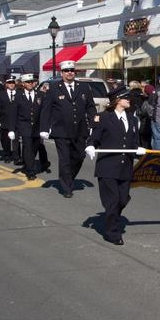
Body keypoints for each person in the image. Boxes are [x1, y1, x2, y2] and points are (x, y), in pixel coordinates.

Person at [84, 86, 146, 245]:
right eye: (126, 97)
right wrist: (90, 146)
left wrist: (138, 149)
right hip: (108, 166)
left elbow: (134, 141)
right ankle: (112, 232)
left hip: (125, 167)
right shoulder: (104, 117)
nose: (129, 100)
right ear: (118, 100)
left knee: (123, 199)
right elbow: (94, 137)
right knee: (112, 200)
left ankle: (111, 219)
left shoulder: (132, 119)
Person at [39, 60, 95, 198]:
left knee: (79, 157)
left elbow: (90, 107)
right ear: (61, 73)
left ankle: (69, 177)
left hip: (80, 130)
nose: (69, 73)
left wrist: (94, 124)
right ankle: (67, 187)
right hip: (61, 131)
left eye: (72, 70)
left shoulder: (83, 87)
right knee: (64, 160)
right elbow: (46, 110)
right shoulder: (53, 88)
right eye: (66, 71)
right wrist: (44, 128)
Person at [14, 74, 48, 180]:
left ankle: (27, 164)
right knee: (28, 148)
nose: (30, 84)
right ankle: (30, 171)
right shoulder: (18, 96)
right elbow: (14, 113)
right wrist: (13, 129)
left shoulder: (40, 94)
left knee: (34, 148)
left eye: (31, 82)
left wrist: (46, 126)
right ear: (23, 84)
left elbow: (44, 112)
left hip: (37, 127)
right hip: (24, 126)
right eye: (28, 82)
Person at [0, 74, 21, 164]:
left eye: (13, 82)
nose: (11, 84)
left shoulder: (19, 93)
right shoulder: (1, 94)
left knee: (16, 140)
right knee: (5, 140)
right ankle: (7, 155)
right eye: (9, 82)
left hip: (16, 121)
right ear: (6, 84)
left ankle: (16, 157)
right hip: (4, 120)